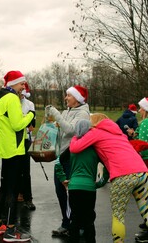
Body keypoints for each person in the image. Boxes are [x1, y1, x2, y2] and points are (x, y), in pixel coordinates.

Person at [69, 113, 148, 243]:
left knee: (118, 216)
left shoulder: (96, 132)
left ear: (94, 123)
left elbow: (75, 148)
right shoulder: (119, 134)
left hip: (123, 175)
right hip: (142, 172)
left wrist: (75, 137)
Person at [0, 71, 35, 242]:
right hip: (14, 149)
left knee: (3, 186)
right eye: (22, 83)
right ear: (14, 83)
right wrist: (30, 115)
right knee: (13, 189)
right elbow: (18, 125)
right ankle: (10, 230)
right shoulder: (12, 98)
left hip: (3, 148)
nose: (23, 86)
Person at [46, 85, 90, 237]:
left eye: (68, 96)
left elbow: (71, 130)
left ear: (77, 98)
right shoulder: (67, 111)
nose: (65, 98)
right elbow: (62, 130)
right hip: (61, 156)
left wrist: (56, 114)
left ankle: (77, 225)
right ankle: (67, 222)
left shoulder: (83, 113)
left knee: (72, 193)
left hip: (72, 157)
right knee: (60, 191)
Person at [55, 119, 109, 242]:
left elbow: (58, 162)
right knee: (89, 221)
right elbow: (107, 165)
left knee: (75, 219)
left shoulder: (72, 148)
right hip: (89, 188)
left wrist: (63, 179)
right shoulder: (95, 149)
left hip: (74, 187)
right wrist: (101, 182)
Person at [129, 97, 148, 241]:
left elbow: (142, 144)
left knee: (146, 197)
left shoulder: (147, 122)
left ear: (147, 109)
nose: (139, 110)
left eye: (141, 108)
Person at [18, 82, 36, 210]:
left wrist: (25, 124)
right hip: (12, 140)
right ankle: (15, 194)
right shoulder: (11, 101)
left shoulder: (30, 104)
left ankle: (27, 197)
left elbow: (32, 125)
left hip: (25, 140)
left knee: (25, 170)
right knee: (13, 170)